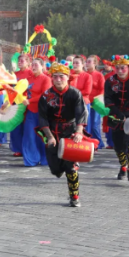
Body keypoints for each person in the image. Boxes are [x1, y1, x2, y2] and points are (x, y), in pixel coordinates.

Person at [38, 60, 88, 207]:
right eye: (55, 76)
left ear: (68, 77)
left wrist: (79, 132)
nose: (58, 79)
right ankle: (58, 169)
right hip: (52, 132)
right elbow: (42, 118)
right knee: (55, 169)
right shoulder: (46, 95)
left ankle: (74, 197)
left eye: (61, 76)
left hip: (70, 132)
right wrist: (50, 137)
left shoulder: (75, 94)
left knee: (70, 168)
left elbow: (81, 114)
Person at [21, 57, 52, 167]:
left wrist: (29, 100)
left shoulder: (46, 79)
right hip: (30, 111)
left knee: (43, 136)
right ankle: (31, 160)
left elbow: (44, 95)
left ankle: (45, 158)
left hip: (42, 111)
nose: (33, 66)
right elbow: (22, 92)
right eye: (32, 64)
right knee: (29, 135)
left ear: (42, 66)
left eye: (36, 65)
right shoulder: (28, 79)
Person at [10, 53, 33, 157]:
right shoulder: (14, 74)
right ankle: (18, 149)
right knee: (16, 126)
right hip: (15, 102)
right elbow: (10, 86)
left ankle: (27, 149)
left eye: (22, 61)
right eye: (19, 61)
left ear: (28, 62)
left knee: (26, 127)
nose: (20, 62)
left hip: (26, 102)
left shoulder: (31, 73)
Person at [85, 55, 106, 149]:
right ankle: (91, 143)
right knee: (87, 124)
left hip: (96, 102)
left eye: (89, 62)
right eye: (86, 61)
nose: (87, 63)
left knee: (94, 124)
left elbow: (102, 89)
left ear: (95, 63)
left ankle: (99, 142)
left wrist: (97, 101)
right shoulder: (85, 74)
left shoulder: (99, 75)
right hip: (86, 102)